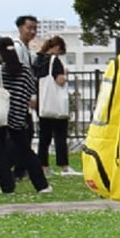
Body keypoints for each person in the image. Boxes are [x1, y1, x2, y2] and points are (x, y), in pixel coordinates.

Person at [0, 39, 49, 197]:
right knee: (26, 151)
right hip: (18, 116)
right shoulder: (25, 71)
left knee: (0, 152)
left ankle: (7, 187)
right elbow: (30, 92)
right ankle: (41, 185)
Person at [34, 35, 74, 175]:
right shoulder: (54, 61)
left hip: (42, 102)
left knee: (44, 136)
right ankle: (64, 166)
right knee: (60, 134)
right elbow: (60, 81)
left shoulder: (38, 60)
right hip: (55, 104)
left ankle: (44, 166)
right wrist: (64, 74)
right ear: (57, 47)